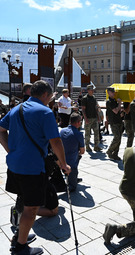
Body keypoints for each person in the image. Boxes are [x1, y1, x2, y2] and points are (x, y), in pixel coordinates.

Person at [0, 80, 71, 255]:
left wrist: (11, 150)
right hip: (32, 168)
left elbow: (0, 130)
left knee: (24, 201)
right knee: (31, 208)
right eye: (51, 96)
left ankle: (19, 235)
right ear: (46, 95)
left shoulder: (17, 108)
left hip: (14, 165)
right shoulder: (45, 112)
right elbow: (55, 141)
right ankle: (20, 247)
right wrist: (64, 164)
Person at [60, 112, 85, 192]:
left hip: (61, 159)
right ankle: (69, 184)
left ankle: (73, 178)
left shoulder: (62, 131)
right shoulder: (78, 134)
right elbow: (82, 151)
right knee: (73, 187)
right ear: (78, 122)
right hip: (71, 163)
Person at [82, 84, 101, 152]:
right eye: (91, 90)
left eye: (93, 90)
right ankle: (87, 146)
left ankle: (96, 146)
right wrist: (86, 119)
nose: (92, 91)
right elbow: (83, 109)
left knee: (96, 132)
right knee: (87, 133)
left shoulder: (94, 98)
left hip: (94, 118)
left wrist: (98, 117)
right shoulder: (85, 98)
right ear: (88, 90)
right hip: (88, 118)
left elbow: (96, 108)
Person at [105, 87, 123, 160]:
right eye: (112, 92)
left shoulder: (114, 101)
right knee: (117, 137)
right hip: (114, 122)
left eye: (114, 92)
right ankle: (110, 151)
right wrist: (119, 104)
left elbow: (118, 111)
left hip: (119, 121)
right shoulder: (109, 101)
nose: (114, 93)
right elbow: (115, 111)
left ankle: (115, 154)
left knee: (119, 139)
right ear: (108, 92)